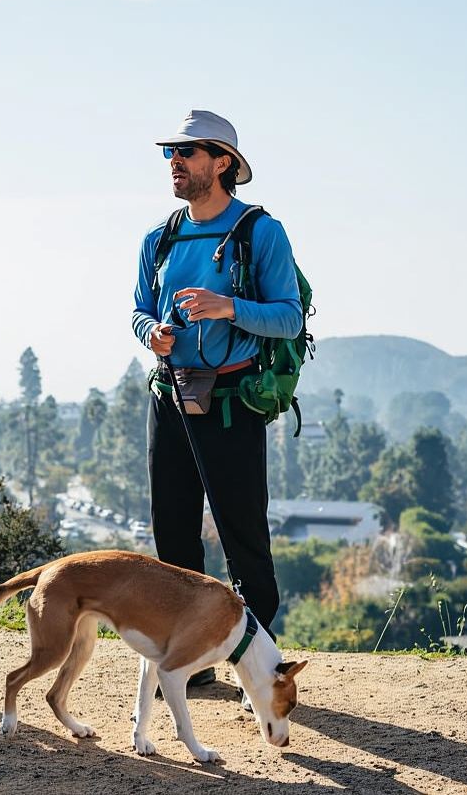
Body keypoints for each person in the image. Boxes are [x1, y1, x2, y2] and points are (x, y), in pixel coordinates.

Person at [131, 110, 302, 685]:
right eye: (168, 154)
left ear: (222, 161)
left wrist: (227, 306)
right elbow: (138, 310)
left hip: (232, 401)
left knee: (243, 535)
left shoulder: (261, 232)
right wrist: (149, 333)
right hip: (168, 396)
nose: (174, 163)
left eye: (186, 153)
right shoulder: (158, 238)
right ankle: (188, 663)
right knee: (173, 533)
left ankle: (261, 662)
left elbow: (288, 318)